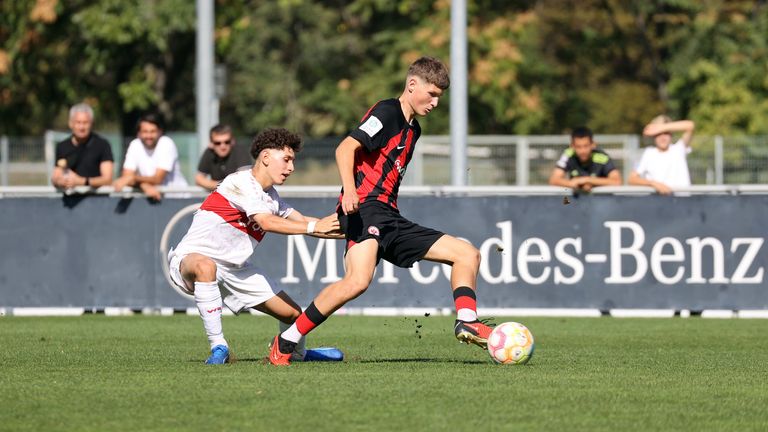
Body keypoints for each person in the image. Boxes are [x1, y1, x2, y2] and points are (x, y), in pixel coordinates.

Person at [269, 56, 492, 366]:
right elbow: (345, 148)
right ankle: (287, 340)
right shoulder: (387, 112)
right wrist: (348, 190)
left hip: (389, 217)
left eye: (440, 96)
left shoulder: (414, 132)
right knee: (358, 281)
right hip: (365, 209)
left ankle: (466, 321)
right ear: (412, 85)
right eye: (432, 94)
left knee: (468, 253)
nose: (436, 103)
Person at [167, 128, 344, 364]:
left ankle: (295, 352)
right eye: (287, 159)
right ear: (266, 157)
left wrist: (353, 233)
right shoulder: (239, 182)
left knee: (293, 314)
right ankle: (219, 347)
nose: (291, 167)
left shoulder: (271, 196)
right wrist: (314, 228)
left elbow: (304, 221)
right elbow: (267, 222)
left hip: (236, 268)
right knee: (205, 265)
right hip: (191, 258)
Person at [113, 113, 188, 200]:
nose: (149, 136)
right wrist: (144, 185)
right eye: (145, 131)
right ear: (139, 133)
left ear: (160, 132)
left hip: (177, 199)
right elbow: (127, 177)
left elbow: (157, 179)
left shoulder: (166, 143)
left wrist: (133, 178)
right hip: (152, 198)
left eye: (153, 131)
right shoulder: (135, 145)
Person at [51, 103, 114, 191]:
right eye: (78, 122)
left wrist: (82, 182)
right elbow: (55, 176)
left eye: (85, 123)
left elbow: (108, 179)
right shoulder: (62, 146)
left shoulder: (102, 145)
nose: (81, 127)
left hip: (97, 200)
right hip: (69, 201)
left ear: (91, 124)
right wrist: (60, 181)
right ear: (71, 123)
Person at [628, 115, 696, 195]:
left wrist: (662, 127)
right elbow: (632, 179)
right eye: (659, 134)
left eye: (666, 133)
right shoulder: (648, 153)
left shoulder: (678, 149)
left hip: (682, 202)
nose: (663, 138)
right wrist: (654, 184)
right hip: (658, 203)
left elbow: (690, 126)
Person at [548, 126, 621, 193]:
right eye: (578, 147)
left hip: (600, 201)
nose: (582, 151)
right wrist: (572, 184)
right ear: (572, 146)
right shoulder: (568, 155)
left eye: (586, 146)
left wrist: (587, 180)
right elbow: (554, 179)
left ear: (593, 144)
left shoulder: (602, 156)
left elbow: (616, 181)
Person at [195, 124, 253, 191]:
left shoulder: (240, 151)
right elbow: (199, 179)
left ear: (232, 141)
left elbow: (244, 180)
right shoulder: (209, 152)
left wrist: (215, 185)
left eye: (227, 142)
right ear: (211, 144)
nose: (222, 146)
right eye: (217, 143)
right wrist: (220, 185)